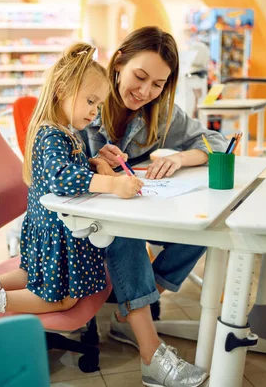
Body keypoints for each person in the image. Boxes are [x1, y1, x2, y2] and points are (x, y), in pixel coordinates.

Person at [0, 43, 144, 332]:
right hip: (57, 236)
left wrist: (93, 162)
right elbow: (59, 176)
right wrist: (113, 185)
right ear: (61, 90)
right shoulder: (54, 135)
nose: (94, 112)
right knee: (63, 300)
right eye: (90, 101)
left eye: (98, 105)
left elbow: (63, 168)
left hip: (44, 231)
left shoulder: (58, 129)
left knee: (30, 274)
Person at [79, 26, 228, 387]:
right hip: (80, 221)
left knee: (203, 225)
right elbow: (49, 163)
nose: (145, 92)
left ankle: (130, 312)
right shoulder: (83, 99)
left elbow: (217, 142)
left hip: (129, 208)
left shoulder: (159, 113)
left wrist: (180, 158)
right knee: (125, 231)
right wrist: (93, 165)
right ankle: (151, 354)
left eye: (158, 84)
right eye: (140, 77)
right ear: (118, 63)